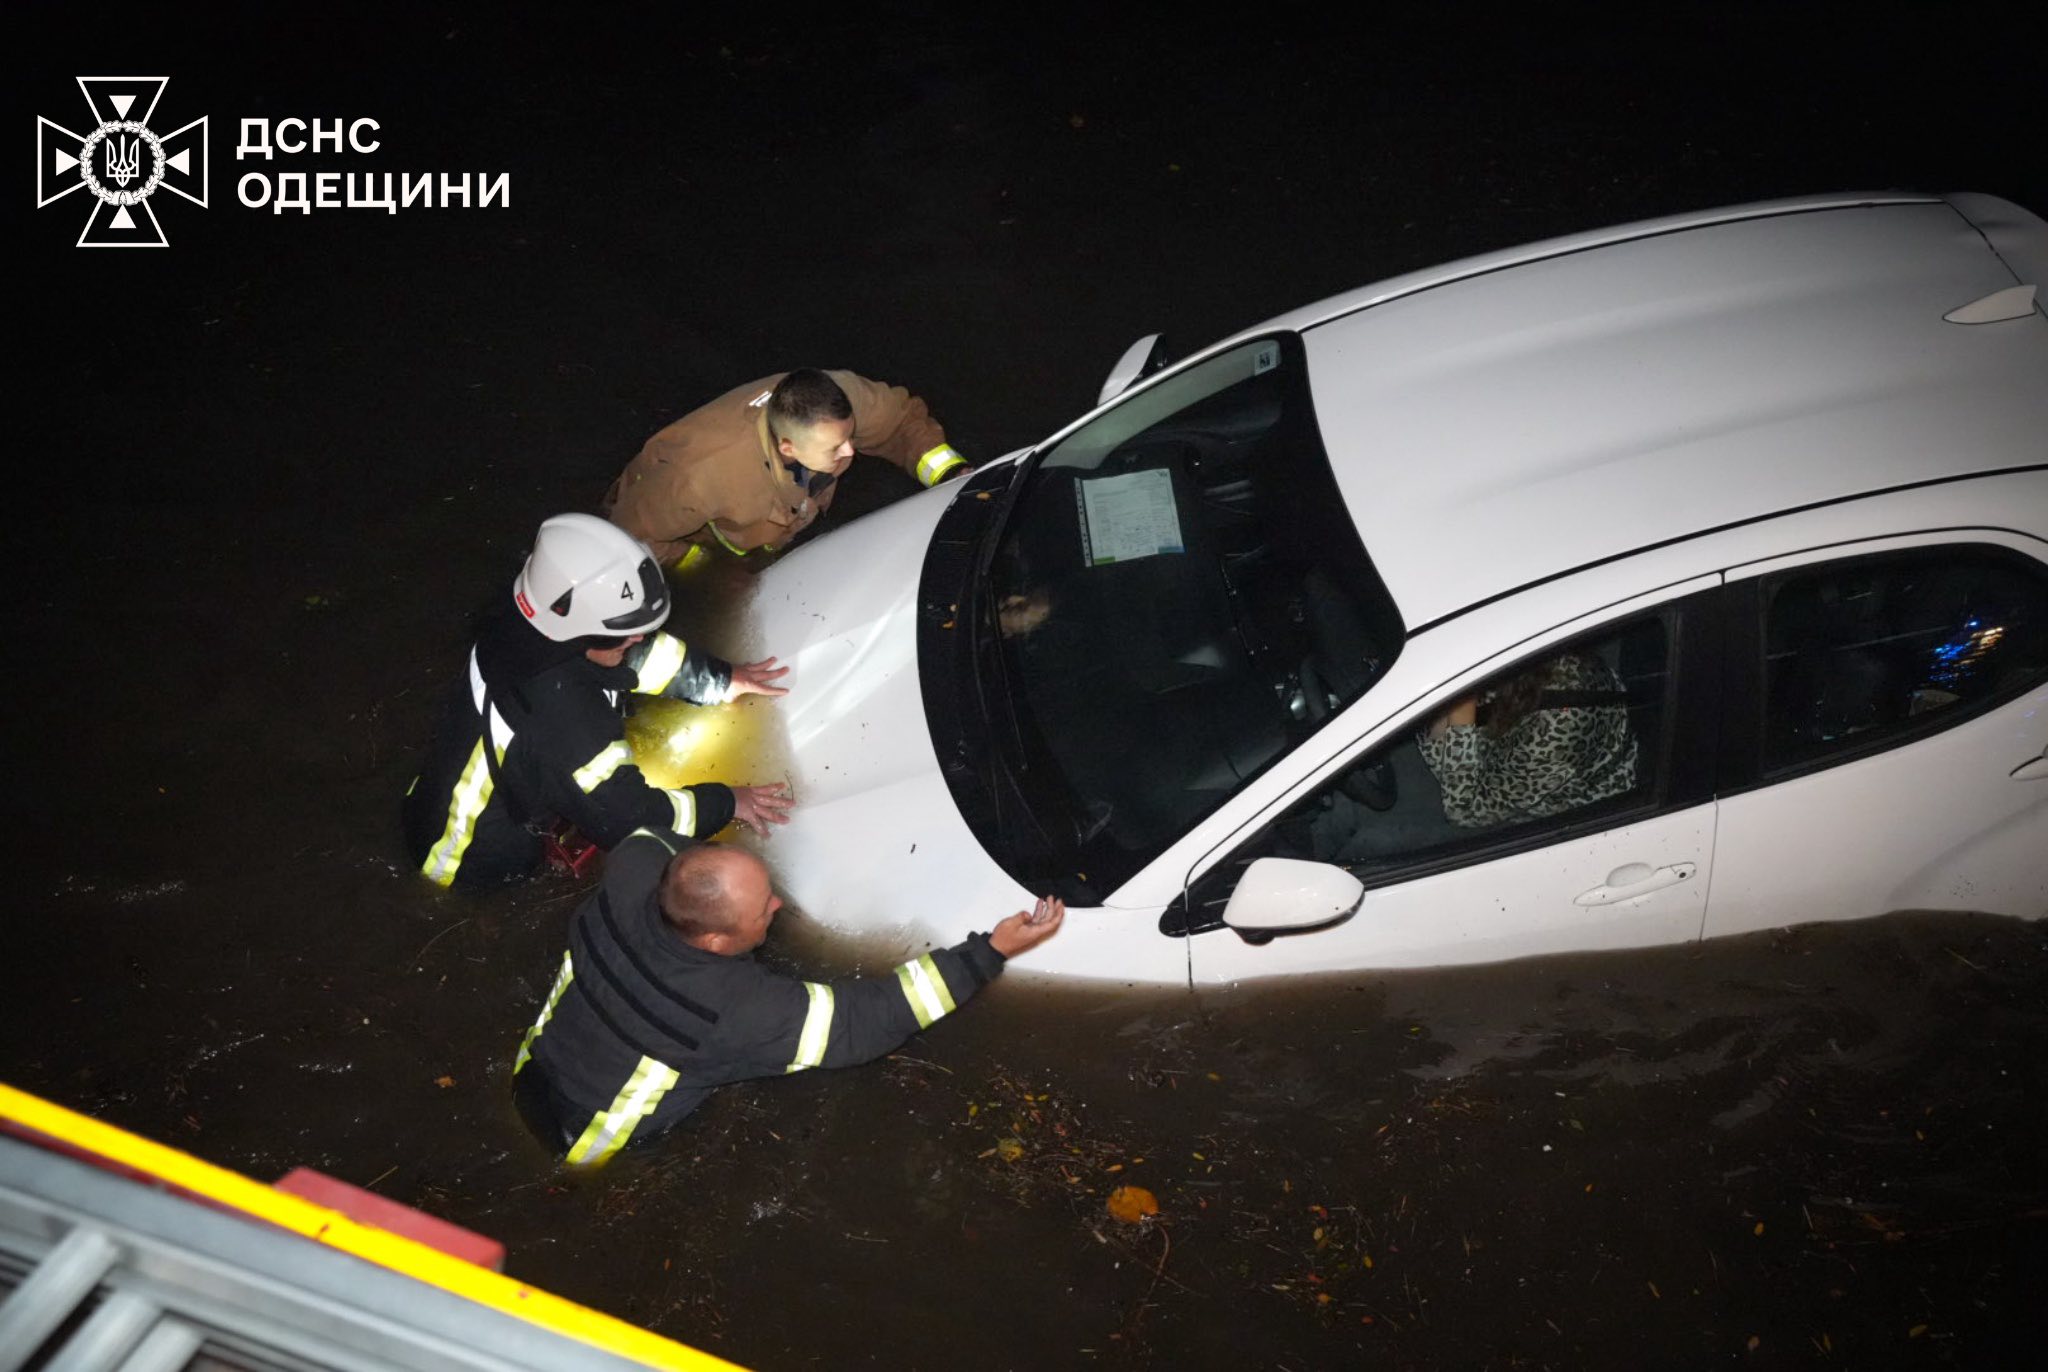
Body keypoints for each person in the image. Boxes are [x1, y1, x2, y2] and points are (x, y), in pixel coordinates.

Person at [512, 828, 1066, 1164]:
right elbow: (864, 1023)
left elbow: (656, 838)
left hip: (531, 1066)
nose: (776, 906)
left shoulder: (631, 869)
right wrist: (989, 951)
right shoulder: (736, 1012)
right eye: (764, 909)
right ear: (714, 941)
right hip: (591, 1138)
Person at [402, 514, 795, 889]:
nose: (637, 639)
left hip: (437, 796)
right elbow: (629, 820)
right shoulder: (564, 717)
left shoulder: (534, 615)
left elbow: (634, 653)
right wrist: (727, 802)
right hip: (466, 859)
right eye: (625, 633)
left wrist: (719, 680)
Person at [601, 368, 970, 565]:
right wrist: (701, 567)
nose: (850, 451)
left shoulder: (840, 397)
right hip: (674, 519)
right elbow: (629, 536)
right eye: (834, 447)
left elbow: (902, 423)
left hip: (785, 514)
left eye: (849, 436)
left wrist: (951, 475)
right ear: (787, 447)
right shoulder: (699, 478)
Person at [1419, 650, 1637, 828]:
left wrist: (1460, 706)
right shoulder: (1537, 655)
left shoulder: (1558, 729)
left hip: (1562, 805)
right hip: (1522, 737)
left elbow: (1465, 812)